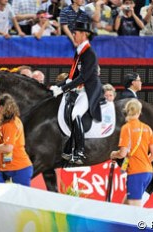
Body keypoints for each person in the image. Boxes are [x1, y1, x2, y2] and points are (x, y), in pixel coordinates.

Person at [50, 22, 103, 165]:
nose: (73, 35)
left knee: (76, 114)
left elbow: (84, 77)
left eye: (75, 33)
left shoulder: (89, 53)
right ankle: (68, 148)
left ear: (84, 34)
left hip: (89, 90)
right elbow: (71, 77)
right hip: (80, 89)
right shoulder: (79, 52)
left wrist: (63, 89)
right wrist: (57, 86)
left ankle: (79, 151)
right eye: (73, 33)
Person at [110, 98, 153, 207]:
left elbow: (122, 154)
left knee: (134, 209)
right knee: (126, 207)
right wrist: (144, 163)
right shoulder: (147, 128)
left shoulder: (126, 128)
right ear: (139, 112)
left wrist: (113, 154)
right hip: (148, 172)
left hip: (136, 172)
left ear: (127, 111)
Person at [0, 93, 33, 186]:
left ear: (1, 107)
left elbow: (8, 148)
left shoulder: (11, 124)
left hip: (19, 168)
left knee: (20, 198)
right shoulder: (7, 123)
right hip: (6, 167)